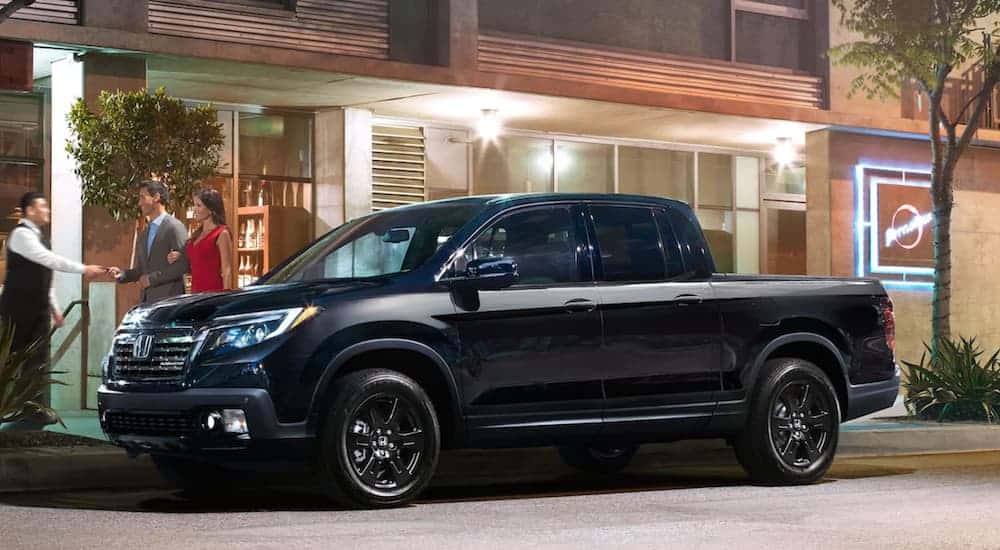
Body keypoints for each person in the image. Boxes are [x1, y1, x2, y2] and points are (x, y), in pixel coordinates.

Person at [0, 192, 108, 429]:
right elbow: (47, 260)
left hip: (37, 311)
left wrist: (55, 308)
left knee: (37, 363)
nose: (47, 210)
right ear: (29, 211)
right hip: (16, 310)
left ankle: (34, 411)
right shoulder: (21, 236)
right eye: (42, 206)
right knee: (8, 361)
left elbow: (44, 276)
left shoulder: (42, 238)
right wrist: (84, 269)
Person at [109, 180, 189, 304]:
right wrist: (123, 274)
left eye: (142, 197)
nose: (139, 203)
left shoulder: (174, 227)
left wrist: (151, 279)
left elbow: (182, 265)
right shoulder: (145, 233)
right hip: (148, 302)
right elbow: (141, 270)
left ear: (156, 197)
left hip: (169, 301)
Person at [166, 188, 232, 292]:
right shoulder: (196, 235)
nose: (194, 209)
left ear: (211, 209)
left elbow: (226, 270)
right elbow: (196, 261)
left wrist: (226, 299)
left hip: (213, 293)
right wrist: (179, 256)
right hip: (195, 293)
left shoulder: (222, 233)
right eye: (194, 205)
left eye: (199, 205)